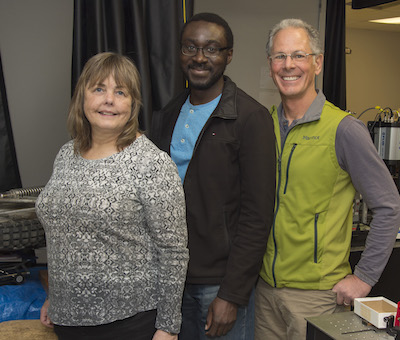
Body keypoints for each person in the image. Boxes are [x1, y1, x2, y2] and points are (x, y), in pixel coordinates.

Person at [255, 18, 400, 340]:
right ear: (269, 65)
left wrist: (364, 277)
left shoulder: (345, 130)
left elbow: (389, 206)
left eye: (299, 55)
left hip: (317, 297)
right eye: (279, 56)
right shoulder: (263, 125)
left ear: (317, 63)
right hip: (264, 292)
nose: (288, 65)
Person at [35, 52, 189, 340]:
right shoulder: (66, 154)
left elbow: (174, 252)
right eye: (98, 89)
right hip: (67, 321)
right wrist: (55, 296)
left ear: (132, 104)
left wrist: (168, 327)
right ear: (83, 98)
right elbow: (65, 233)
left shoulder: (152, 163)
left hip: (127, 323)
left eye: (120, 92)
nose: (109, 100)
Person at [150, 12, 276, 340]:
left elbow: (257, 216)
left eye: (212, 49)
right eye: (190, 47)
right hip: (169, 281)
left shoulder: (251, 118)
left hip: (218, 286)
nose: (200, 58)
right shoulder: (167, 113)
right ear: (179, 53)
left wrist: (231, 295)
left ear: (228, 55)